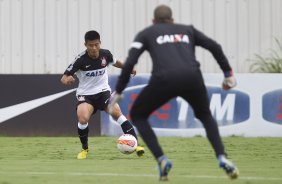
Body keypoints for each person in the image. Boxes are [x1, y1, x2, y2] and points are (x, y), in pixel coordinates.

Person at [109, 4, 239, 181]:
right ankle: (222, 156)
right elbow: (214, 46)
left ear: (153, 21)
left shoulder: (147, 33)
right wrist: (228, 75)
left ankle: (161, 159)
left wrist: (119, 91)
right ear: (172, 20)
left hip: (164, 80)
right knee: (205, 115)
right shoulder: (187, 30)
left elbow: (130, 62)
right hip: (192, 78)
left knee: (138, 115)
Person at [61, 30, 145, 159]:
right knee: (83, 118)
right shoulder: (80, 60)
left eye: (96, 44)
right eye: (91, 45)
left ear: (100, 43)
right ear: (85, 45)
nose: (94, 48)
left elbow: (116, 62)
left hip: (103, 92)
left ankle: (136, 145)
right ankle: (84, 149)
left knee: (117, 112)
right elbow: (64, 77)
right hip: (86, 95)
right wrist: (68, 80)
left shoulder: (106, 55)